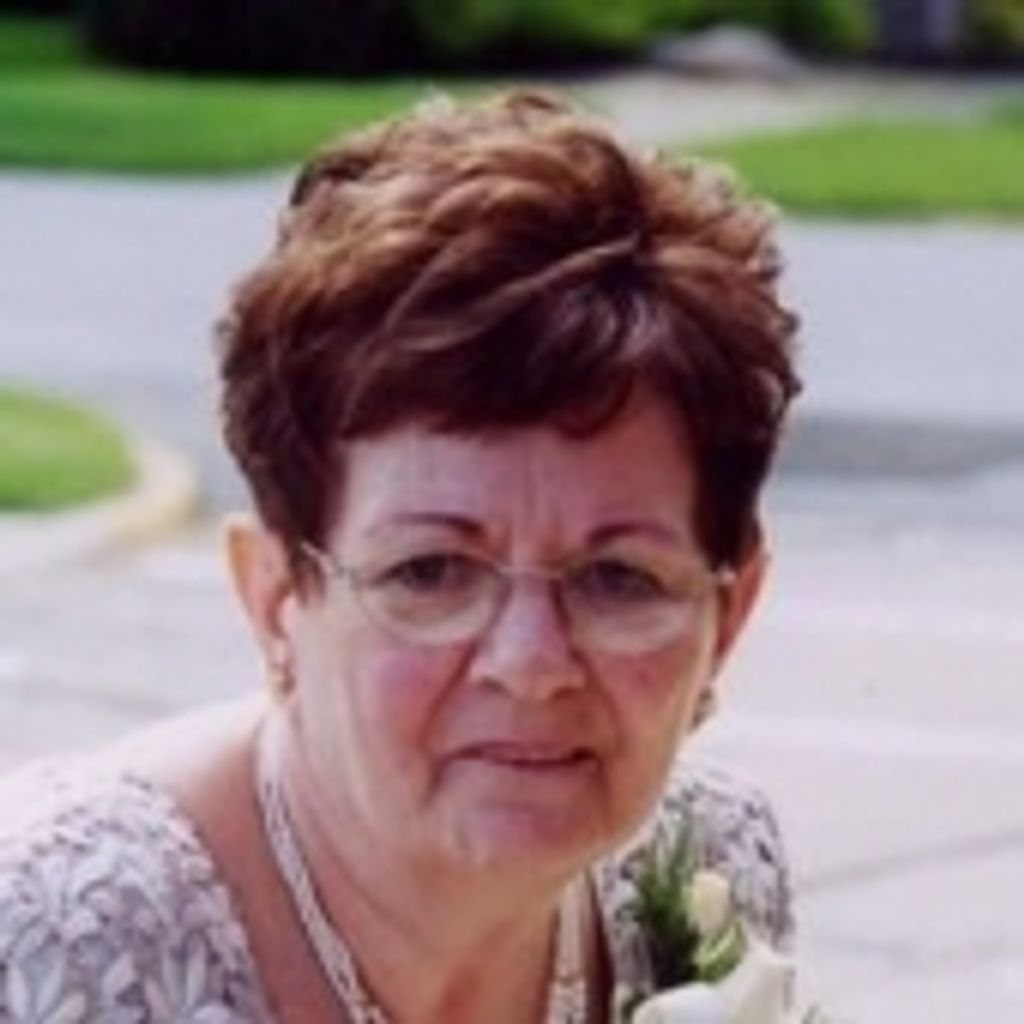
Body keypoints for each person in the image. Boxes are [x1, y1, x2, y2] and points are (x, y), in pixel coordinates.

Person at [0, 90, 800, 1023]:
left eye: (617, 578)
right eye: (432, 572)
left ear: (728, 616)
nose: (532, 664)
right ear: (274, 598)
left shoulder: (712, 871)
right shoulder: (56, 944)